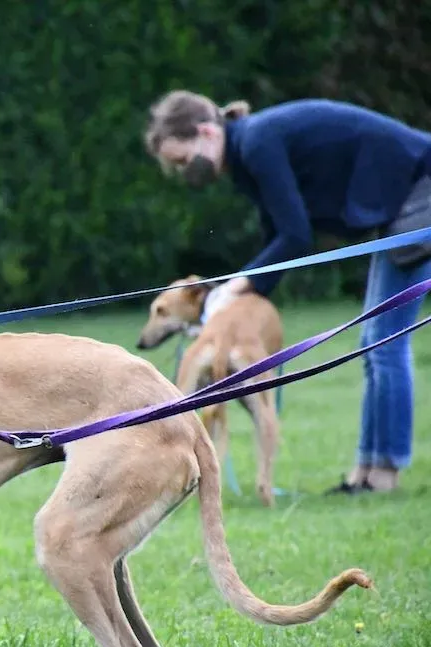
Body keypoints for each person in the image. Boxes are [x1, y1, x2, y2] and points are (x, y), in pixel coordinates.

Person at [143, 92, 431, 494]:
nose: (184, 171)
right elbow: (276, 238)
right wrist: (235, 299)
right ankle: (365, 473)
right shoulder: (246, 156)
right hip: (407, 195)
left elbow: (296, 236)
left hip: (423, 188)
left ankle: (384, 474)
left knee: (384, 343)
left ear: (207, 132)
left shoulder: (258, 142)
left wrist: (230, 291)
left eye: (182, 159)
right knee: (374, 342)